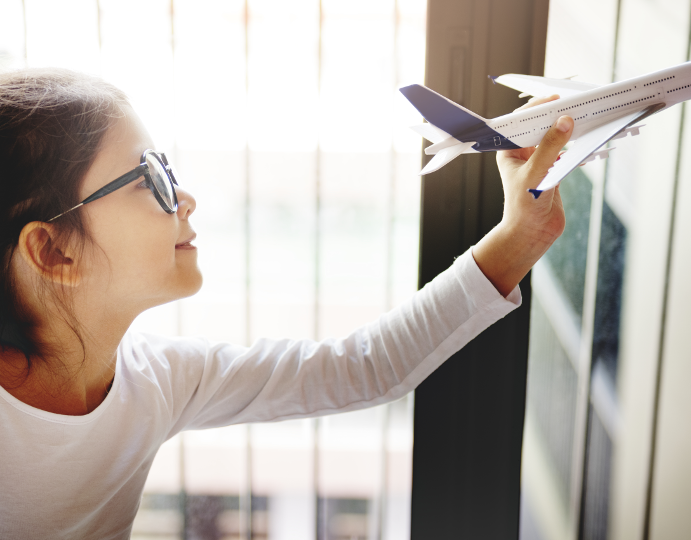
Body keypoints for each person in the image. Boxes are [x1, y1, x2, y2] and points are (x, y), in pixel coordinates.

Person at [0, 68, 572, 538]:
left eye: (167, 169)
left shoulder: (159, 381)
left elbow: (365, 368)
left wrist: (519, 239)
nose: (187, 200)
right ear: (53, 252)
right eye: (149, 179)